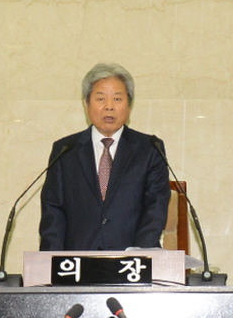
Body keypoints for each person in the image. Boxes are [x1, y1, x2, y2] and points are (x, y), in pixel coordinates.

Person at [37, 62, 172, 252]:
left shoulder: (149, 150)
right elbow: (53, 212)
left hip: (130, 268)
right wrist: (51, 264)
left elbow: (154, 210)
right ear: (86, 104)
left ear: (129, 105)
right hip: (76, 267)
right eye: (101, 99)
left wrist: (138, 258)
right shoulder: (65, 150)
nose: (109, 107)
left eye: (117, 99)